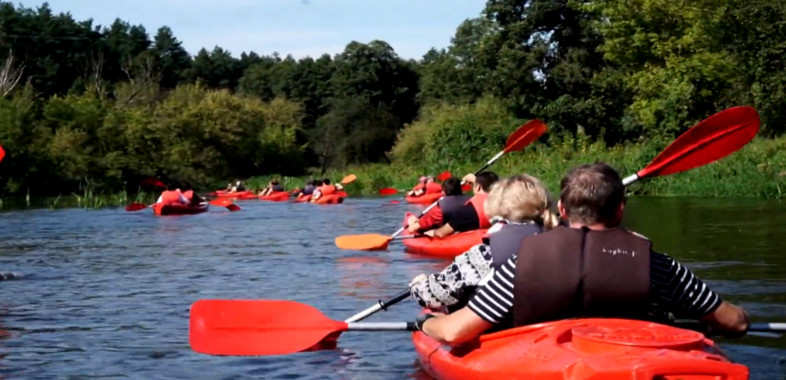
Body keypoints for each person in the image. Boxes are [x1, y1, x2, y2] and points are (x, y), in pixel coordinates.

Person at [416, 163, 750, 344]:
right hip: (634, 365)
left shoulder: (522, 266)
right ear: (621, 209)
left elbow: (454, 332)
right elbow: (734, 323)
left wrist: (427, 324)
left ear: (560, 207)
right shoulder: (657, 265)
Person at [409, 174, 559, 311]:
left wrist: (418, 284)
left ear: (497, 205)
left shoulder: (484, 255)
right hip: (554, 326)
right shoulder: (564, 242)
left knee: (435, 313)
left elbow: (432, 293)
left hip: (502, 331)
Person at [421, 172, 499, 238]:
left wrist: (430, 233)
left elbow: (440, 233)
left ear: (478, 187)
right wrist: (475, 179)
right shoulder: (504, 203)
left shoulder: (464, 211)